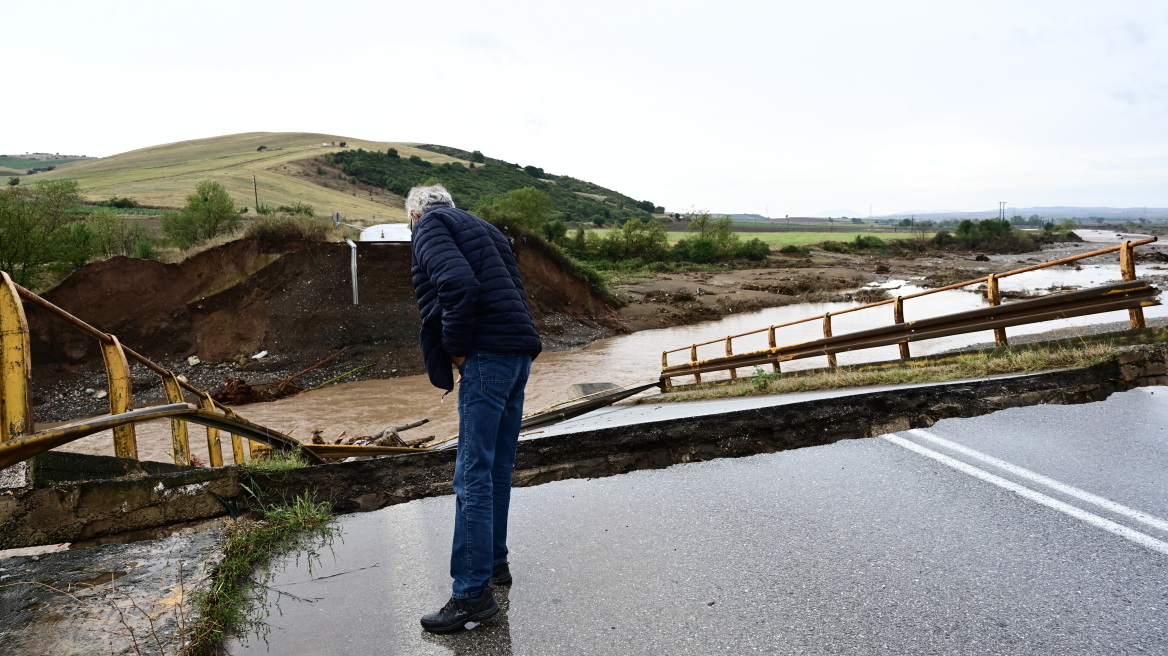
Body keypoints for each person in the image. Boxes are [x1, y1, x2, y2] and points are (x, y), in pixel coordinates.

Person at [407, 184, 542, 633]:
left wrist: (458, 349)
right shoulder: (484, 228)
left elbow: (458, 283)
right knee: (497, 469)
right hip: (518, 355)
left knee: (472, 475)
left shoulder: (429, 226)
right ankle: (495, 565)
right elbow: (513, 292)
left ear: (413, 215)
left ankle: (470, 595)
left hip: (486, 356)